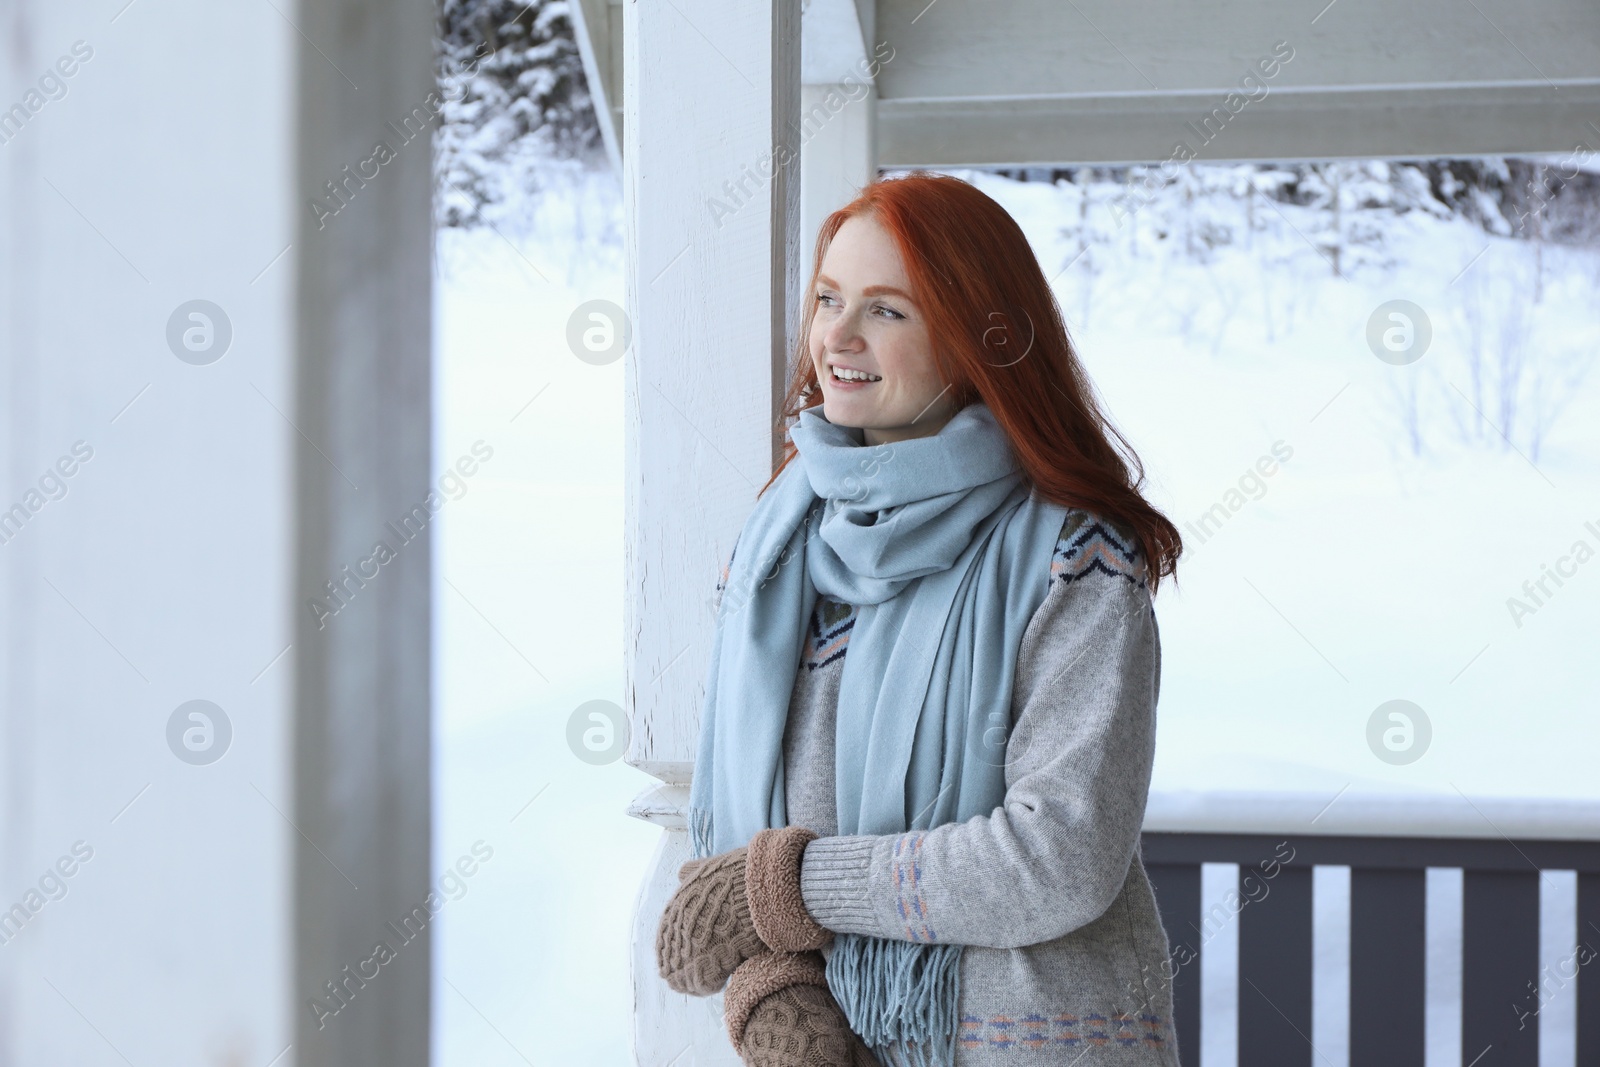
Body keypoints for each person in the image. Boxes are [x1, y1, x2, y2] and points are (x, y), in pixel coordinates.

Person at [655, 172, 1184, 1067]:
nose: (839, 337)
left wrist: (784, 885)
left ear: (980, 337)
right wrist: (774, 996)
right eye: (829, 299)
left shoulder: (1075, 555)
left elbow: (1059, 855)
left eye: (888, 310)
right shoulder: (782, 543)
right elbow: (753, 826)